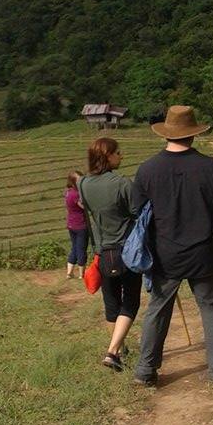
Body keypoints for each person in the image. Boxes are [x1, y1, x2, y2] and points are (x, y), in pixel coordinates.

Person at [131, 105, 213, 385]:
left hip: (165, 253)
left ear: (166, 134)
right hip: (203, 253)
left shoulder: (148, 169)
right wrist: (208, 206)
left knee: (158, 309)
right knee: (211, 309)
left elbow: (136, 208)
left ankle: (145, 370)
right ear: (193, 135)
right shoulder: (212, 166)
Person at [79, 137, 142, 372]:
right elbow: (138, 214)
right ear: (108, 156)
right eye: (118, 152)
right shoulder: (122, 183)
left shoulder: (83, 184)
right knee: (131, 302)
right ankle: (113, 351)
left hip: (103, 252)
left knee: (111, 303)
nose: (121, 156)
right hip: (127, 251)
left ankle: (121, 349)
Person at [65, 170, 88, 279]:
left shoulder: (68, 192)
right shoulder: (76, 194)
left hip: (71, 224)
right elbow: (84, 206)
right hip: (80, 225)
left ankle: (69, 272)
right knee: (81, 248)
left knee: (74, 247)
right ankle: (81, 274)